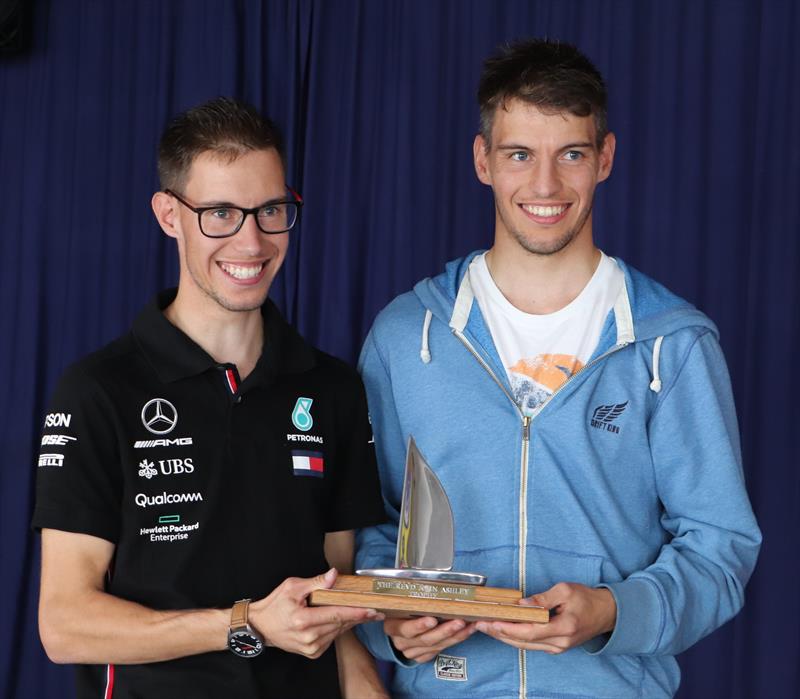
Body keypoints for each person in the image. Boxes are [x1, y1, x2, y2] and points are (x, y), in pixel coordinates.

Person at [354, 39, 761, 698]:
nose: (545, 186)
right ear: (483, 160)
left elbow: (720, 548)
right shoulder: (407, 337)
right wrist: (392, 627)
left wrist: (613, 611)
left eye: (570, 153)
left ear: (605, 158)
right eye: (520, 155)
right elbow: (366, 527)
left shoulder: (671, 345)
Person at [33, 97, 388, 699]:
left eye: (271, 210)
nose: (252, 242)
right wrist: (243, 625)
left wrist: (366, 688)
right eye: (221, 212)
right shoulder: (98, 391)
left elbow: (335, 593)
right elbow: (64, 626)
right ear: (168, 214)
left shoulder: (332, 388)